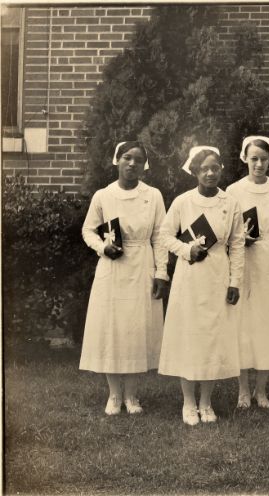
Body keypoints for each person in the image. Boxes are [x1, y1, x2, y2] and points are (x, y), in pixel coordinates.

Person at [158, 146, 245, 425]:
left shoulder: (230, 203)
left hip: (217, 274)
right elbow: (164, 236)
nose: (210, 172)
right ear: (194, 171)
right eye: (204, 168)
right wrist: (186, 251)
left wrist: (234, 281)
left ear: (221, 169)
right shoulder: (183, 202)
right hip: (189, 277)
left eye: (215, 167)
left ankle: (206, 402)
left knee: (211, 337)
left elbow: (238, 244)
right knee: (189, 335)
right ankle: (188, 402)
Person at [80, 141, 168, 415]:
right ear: (117, 160)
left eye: (138, 160)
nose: (132, 164)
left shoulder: (153, 196)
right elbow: (88, 230)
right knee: (112, 328)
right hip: (112, 268)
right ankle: (114, 395)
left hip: (142, 264)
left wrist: (161, 272)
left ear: (145, 165)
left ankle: (132, 396)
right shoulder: (103, 195)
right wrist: (102, 247)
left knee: (135, 329)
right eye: (127, 158)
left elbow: (160, 237)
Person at [226, 136, 269, 410]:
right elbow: (228, 230)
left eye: (264, 159)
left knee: (267, 324)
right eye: (254, 158)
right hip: (244, 261)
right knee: (244, 323)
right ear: (245, 158)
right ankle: (243, 389)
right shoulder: (233, 190)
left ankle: (261, 389)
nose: (259, 164)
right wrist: (242, 240)